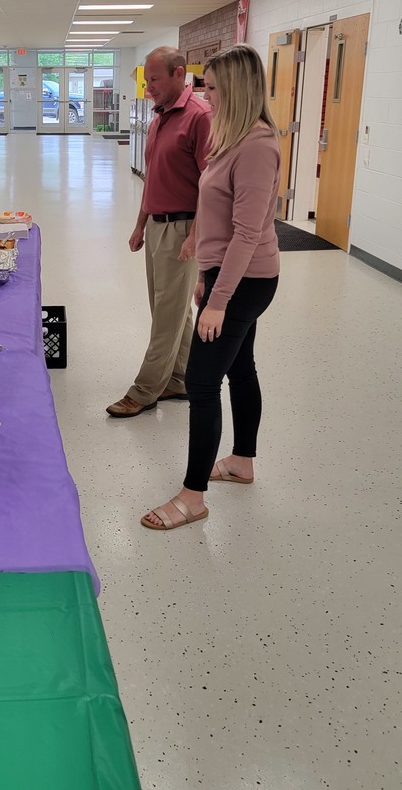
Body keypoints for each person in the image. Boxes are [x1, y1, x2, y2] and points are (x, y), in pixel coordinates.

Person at [141, 44, 281, 531]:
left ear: (238, 90)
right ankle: (242, 462)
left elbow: (247, 232)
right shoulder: (231, 137)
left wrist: (219, 300)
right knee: (241, 370)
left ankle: (192, 497)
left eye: (214, 87)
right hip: (225, 274)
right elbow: (218, 223)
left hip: (247, 280)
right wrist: (205, 274)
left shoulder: (259, 146)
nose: (207, 95)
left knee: (202, 384)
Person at [106, 46, 211, 418]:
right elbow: (153, 179)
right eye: (145, 80)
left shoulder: (200, 117)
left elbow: (209, 185)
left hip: (183, 228)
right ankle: (178, 377)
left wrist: (196, 235)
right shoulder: (159, 118)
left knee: (167, 314)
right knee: (170, 309)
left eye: (155, 79)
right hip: (156, 225)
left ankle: (145, 390)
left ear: (179, 74)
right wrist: (139, 224)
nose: (148, 87)